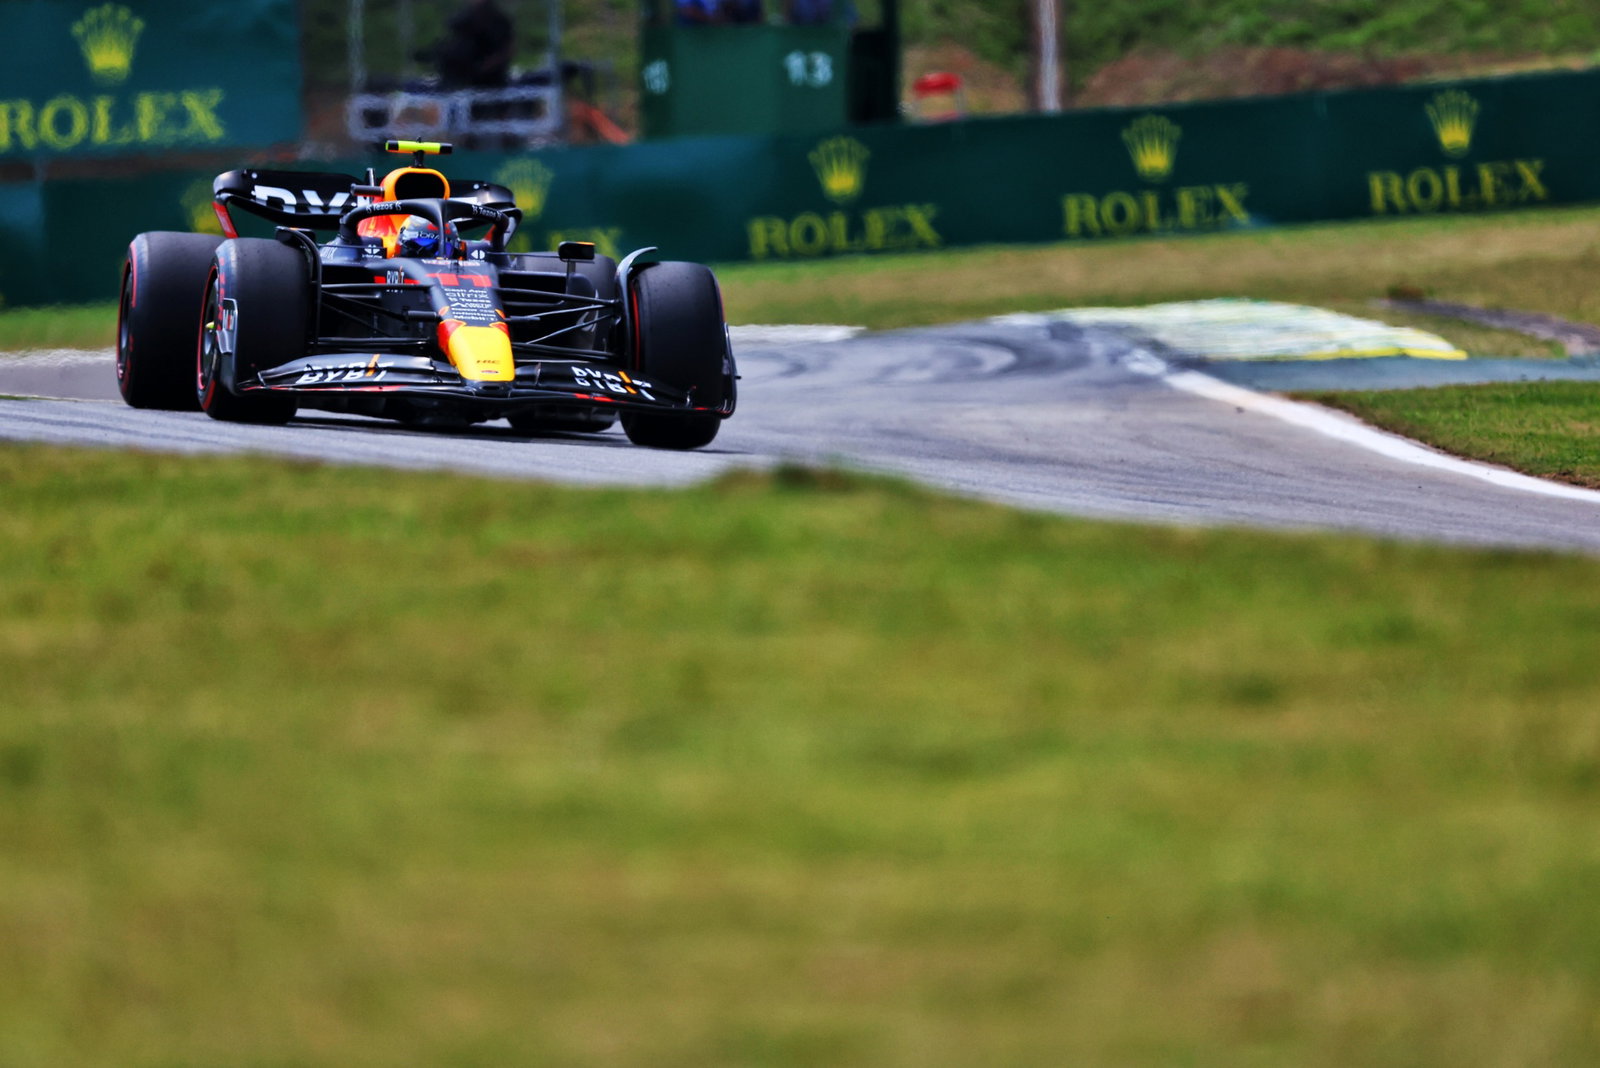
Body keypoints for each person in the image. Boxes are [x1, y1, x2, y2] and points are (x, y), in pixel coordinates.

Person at [434, 0, 515, 89]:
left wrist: (482, 68)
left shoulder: (499, 21)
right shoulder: (462, 20)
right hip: (458, 77)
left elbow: (506, 50)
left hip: (488, 80)